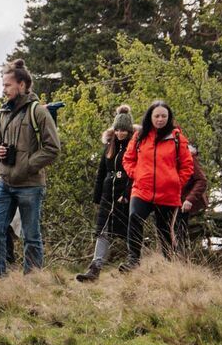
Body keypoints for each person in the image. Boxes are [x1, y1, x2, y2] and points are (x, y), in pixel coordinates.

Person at [0, 61, 64, 279]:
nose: (4, 89)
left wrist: (27, 165)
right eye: (3, 85)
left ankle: (33, 280)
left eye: (8, 85)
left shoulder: (38, 112)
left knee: (31, 235)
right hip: (4, 182)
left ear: (22, 84)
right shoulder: (2, 113)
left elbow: (52, 148)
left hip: (30, 184)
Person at [120, 100, 197, 267]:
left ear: (168, 118)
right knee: (134, 218)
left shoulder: (177, 138)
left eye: (164, 116)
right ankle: (133, 261)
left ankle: (171, 264)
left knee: (164, 231)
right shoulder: (139, 136)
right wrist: (137, 174)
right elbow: (128, 159)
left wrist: (176, 182)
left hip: (167, 193)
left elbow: (187, 166)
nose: (160, 119)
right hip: (142, 190)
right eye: (157, 116)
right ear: (150, 117)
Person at [75, 106, 135, 282]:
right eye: (117, 129)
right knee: (102, 231)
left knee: (130, 230)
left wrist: (127, 193)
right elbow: (101, 172)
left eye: (123, 129)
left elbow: (135, 173)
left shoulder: (134, 147)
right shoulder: (109, 146)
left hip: (126, 195)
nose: (120, 133)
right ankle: (95, 268)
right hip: (107, 195)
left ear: (129, 130)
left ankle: (136, 262)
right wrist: (97, 196)